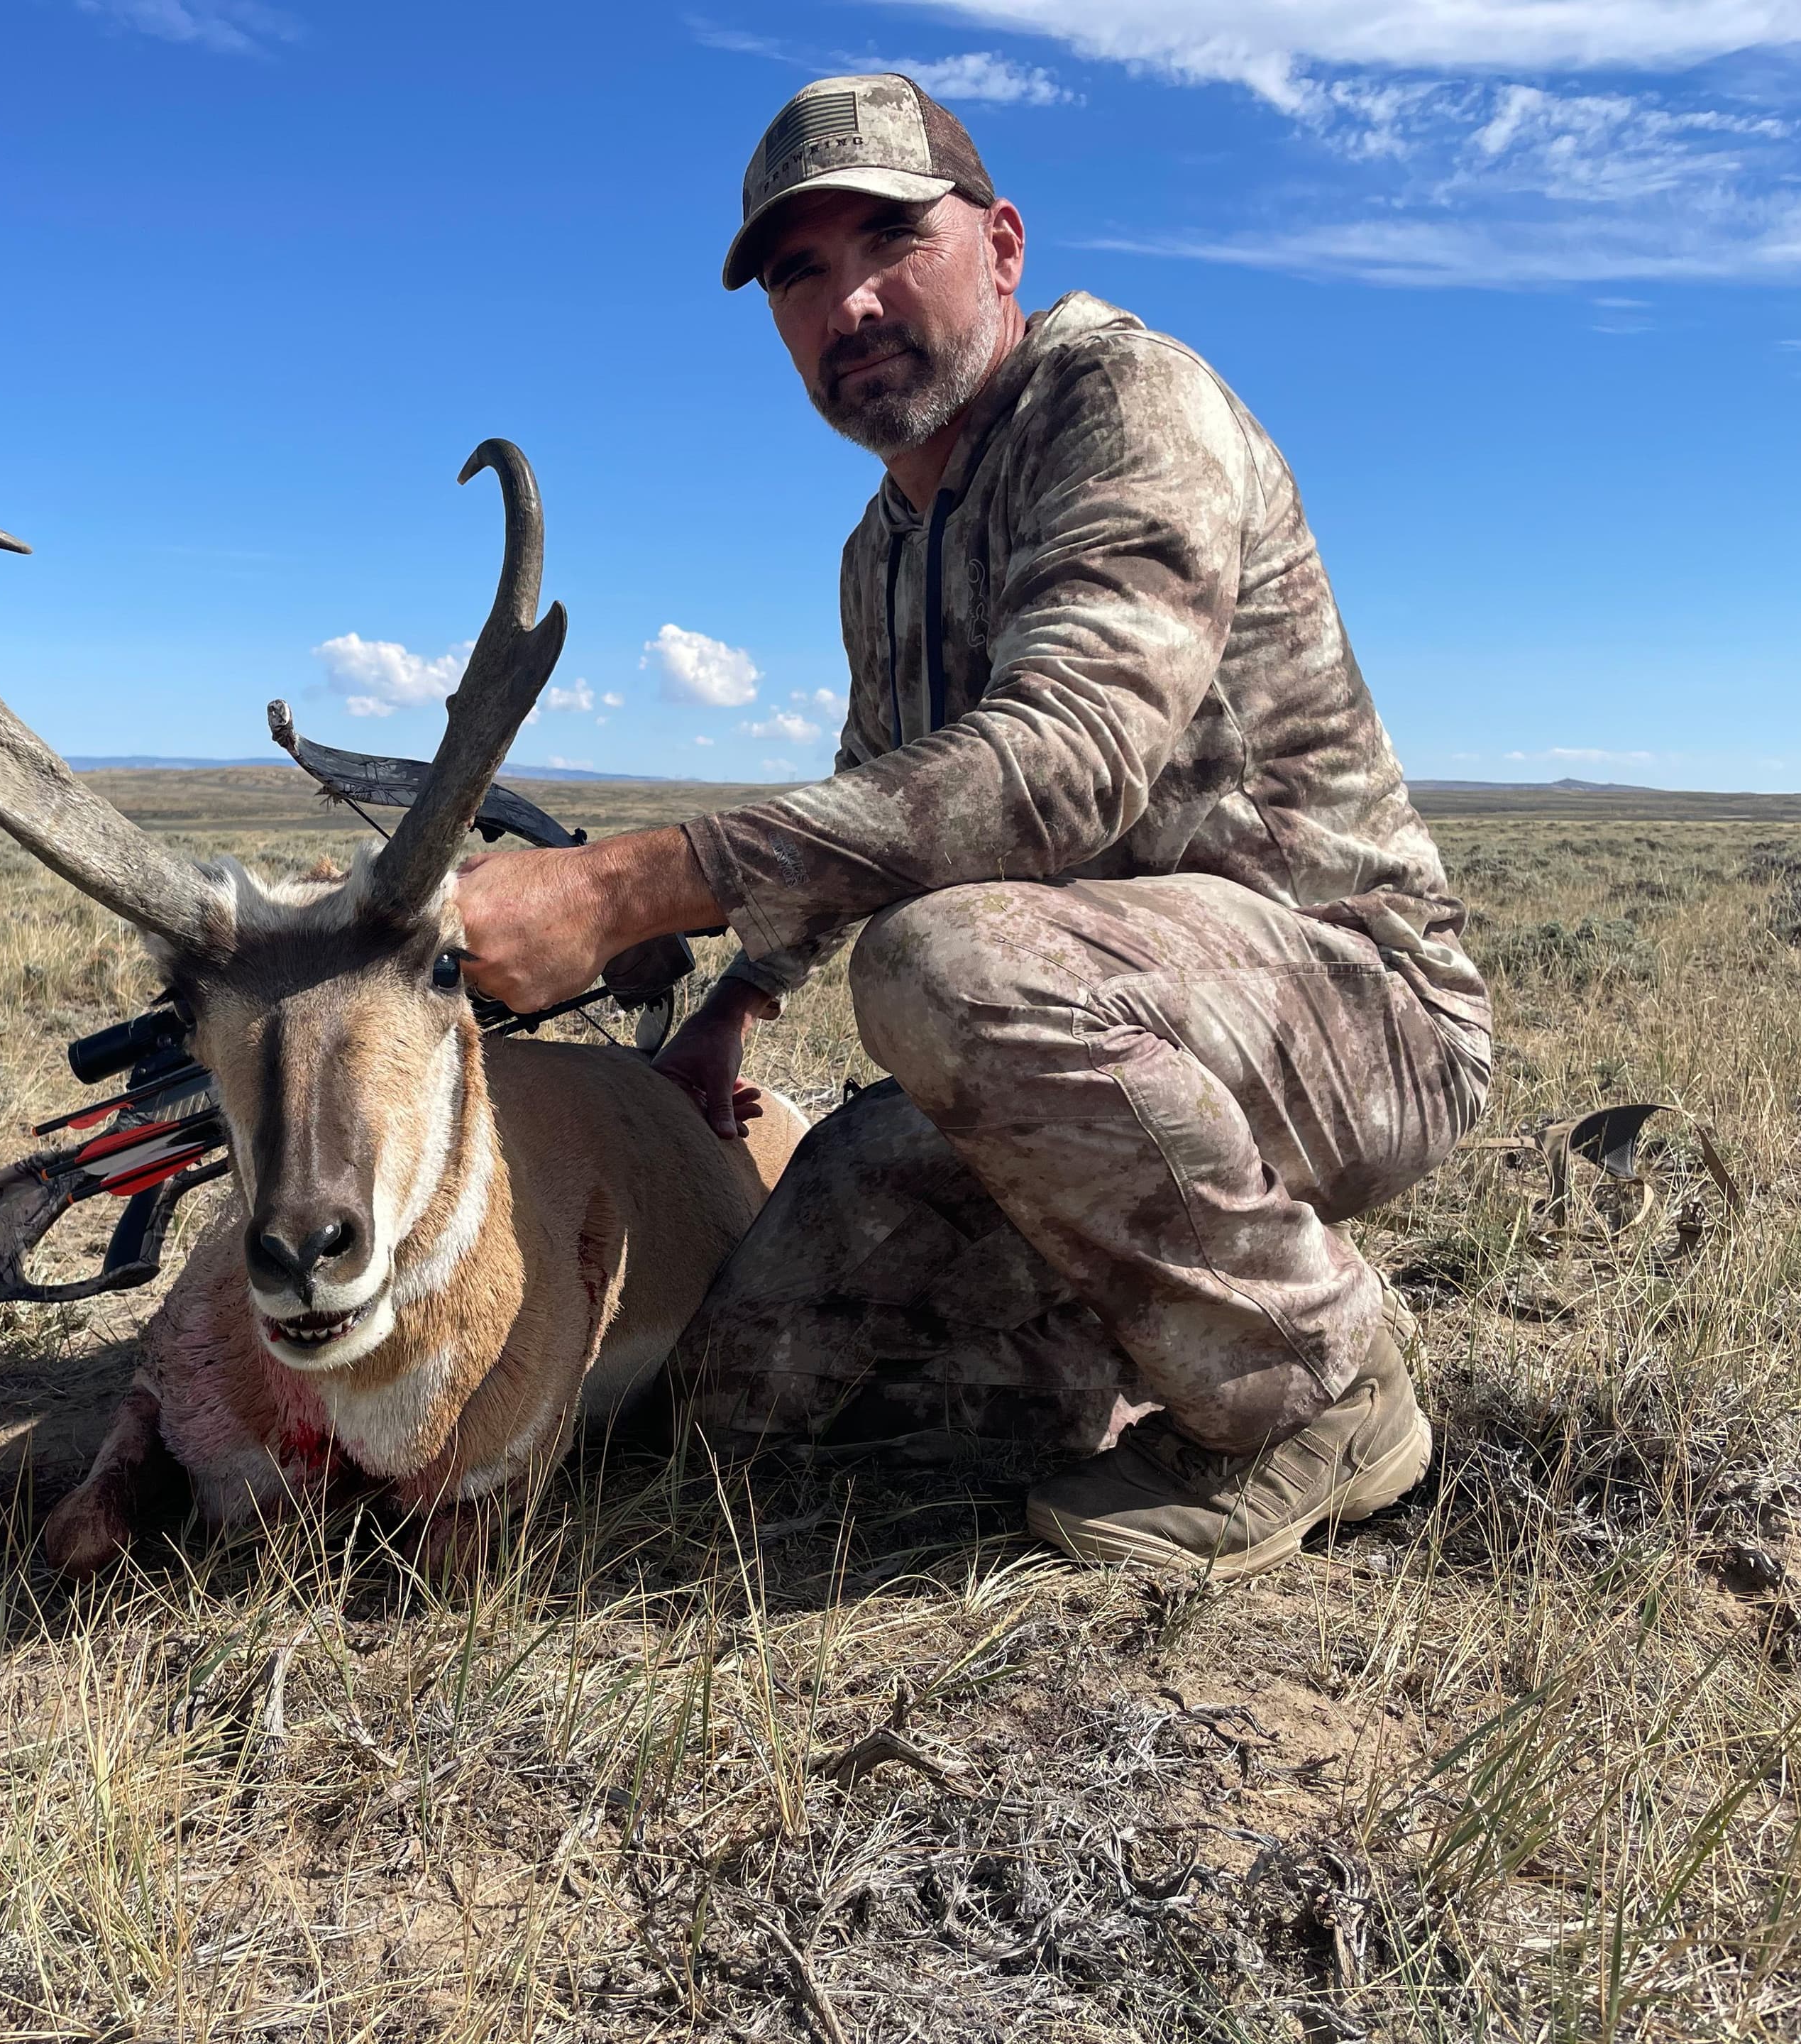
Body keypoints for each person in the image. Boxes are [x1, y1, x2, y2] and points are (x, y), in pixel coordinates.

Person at [453, 74, 1491, 1581]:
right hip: (1102, 1033)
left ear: (1001, 245)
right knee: (749, 1391)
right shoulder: (882, 551)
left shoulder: (1127, 408)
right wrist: (736, 1002)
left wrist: (621, 892)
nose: (849, 301)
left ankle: (1317, 1395)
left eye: (890, 238)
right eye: (800, 274)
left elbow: (1062, 762)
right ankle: (1136, 1325)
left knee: (942, 965)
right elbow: (886, 769)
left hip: (1355, 1017)